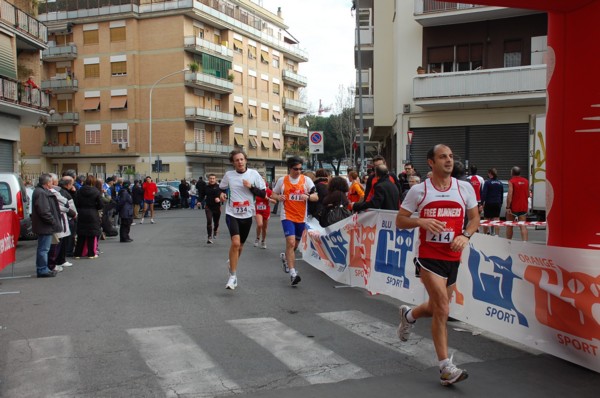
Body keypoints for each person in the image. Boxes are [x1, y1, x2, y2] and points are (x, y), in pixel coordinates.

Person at [395, 144, 480, 386]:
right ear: (431, 162)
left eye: (451, 156)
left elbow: (475, 219)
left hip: (452, 257)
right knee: (443, 307)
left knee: (435, 308)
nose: (449, 160)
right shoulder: (419, 191)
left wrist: (465, 235)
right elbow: (400, 220)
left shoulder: (464, 188)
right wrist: (421, 221)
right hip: (429, 257)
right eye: (443, 157)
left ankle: (409, 315)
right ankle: (445, 368)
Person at [219, 150, 266, 290]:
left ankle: (232, 262)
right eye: (236, 160)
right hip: (232, 213)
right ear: (233, 162)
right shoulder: (229, 175)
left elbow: (263, 194)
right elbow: (220, 188)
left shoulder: (254, 174)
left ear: (245, 160)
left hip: (247, 215)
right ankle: (232, 276)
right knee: (235, 242)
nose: (239, 162)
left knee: (240, 247)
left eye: (241, 159)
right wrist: (221, 194)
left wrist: (251, 187)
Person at [271, 156, 318, 286]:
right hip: (287, 216)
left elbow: (316, 196)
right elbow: (273, 194)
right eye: (295, 169)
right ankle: (293, 273)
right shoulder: (282, 181)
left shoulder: (306, 180)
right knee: (291, 243)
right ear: (289, 169)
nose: (298, 171)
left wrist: (308, 196)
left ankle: (286, 258)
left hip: (301, 217)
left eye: (300, 169)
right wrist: (279, 197)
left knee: (294, 246)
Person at [31, 174, 63, 278]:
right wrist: (52, 221)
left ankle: (43, 268)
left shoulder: (41, 191)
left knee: (44, 248)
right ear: (47, 183)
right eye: (50, 182)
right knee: (43, 249)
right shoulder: (41, 193)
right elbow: (44, 211)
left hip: (44, 225)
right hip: (45, 226)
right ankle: (42, 269)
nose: (52, 184)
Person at [75, 175, 104, 258]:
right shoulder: (96, 191)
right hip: (92, 213)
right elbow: (101, 204)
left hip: (82, 212)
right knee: (91, 233)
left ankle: (77, 253)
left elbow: (76, 202)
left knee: (81, 233)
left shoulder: (80, 190)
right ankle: (91, 253)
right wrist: (96, 207)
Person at [506, 166, 529, 242]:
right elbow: (528, 194)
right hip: (523, 206)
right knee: (523, 225)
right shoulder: (526, 181)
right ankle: (524, 242)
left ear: (512, 172)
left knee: (510, 225)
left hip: (513, 207)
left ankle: (508, 243)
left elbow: (510, 194)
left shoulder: (511, 181)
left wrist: (508, 207)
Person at [200, 174, 222, 244]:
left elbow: (224, 196)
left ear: (215, 179)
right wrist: (198, 201)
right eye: (210, 178)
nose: (212, 180)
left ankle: (215, 230)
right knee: (209, 221)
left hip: (217, 207)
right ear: (208, 179)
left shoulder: (219, 187)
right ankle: (209, 237)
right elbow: (202, 195)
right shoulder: (206, 187)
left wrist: (220, 199)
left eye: (213, 178)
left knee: (216, 223)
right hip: (208, 207)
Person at [481, 168, 503, 235]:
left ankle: (485, 234)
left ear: (490, 174)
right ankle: (497, 235)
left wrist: (482, 203)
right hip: (497, 203)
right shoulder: (500, 183)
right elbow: (501, 194)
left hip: (489, 203)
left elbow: (484, 193)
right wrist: (500, 203)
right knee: (496, 219)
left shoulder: (487, 182)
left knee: (486, 219)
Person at [254, 176, 273, 249]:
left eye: (263, 181)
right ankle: (257, 238)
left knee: (264, 228)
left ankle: (263, 240)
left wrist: (268, 199)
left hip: (266, 211)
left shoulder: (268, 191)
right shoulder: (256, 191)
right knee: (259, 224)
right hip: (258, 211)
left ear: (265, 183)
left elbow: (275, 201)